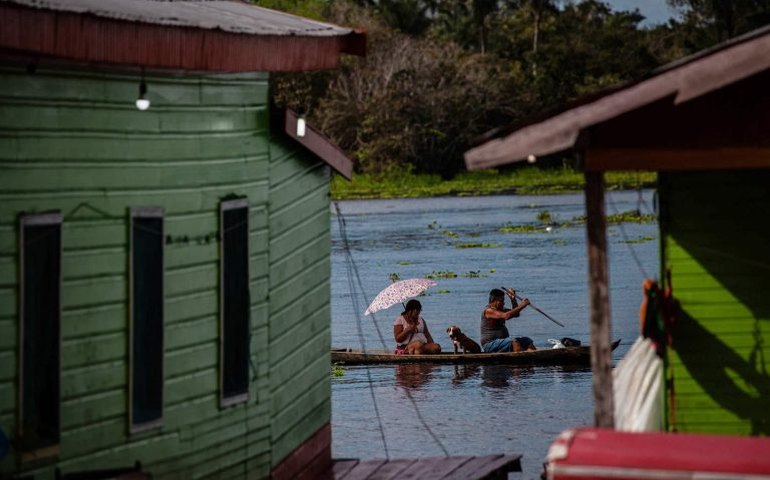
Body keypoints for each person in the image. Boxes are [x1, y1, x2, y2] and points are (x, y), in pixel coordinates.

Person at [480, 288, 536, 353]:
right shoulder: (488, 311)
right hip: (489, 345)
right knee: (513, 341)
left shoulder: (501, 309)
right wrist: (522, 305)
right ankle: (521, 360)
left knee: (526, 340)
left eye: (503, 301)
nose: (503, 303)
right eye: (501, 301)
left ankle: (535, 357)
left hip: (503, 342)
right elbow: (506, 316)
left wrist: (513, 299)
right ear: (493, 300)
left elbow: (516, 314)